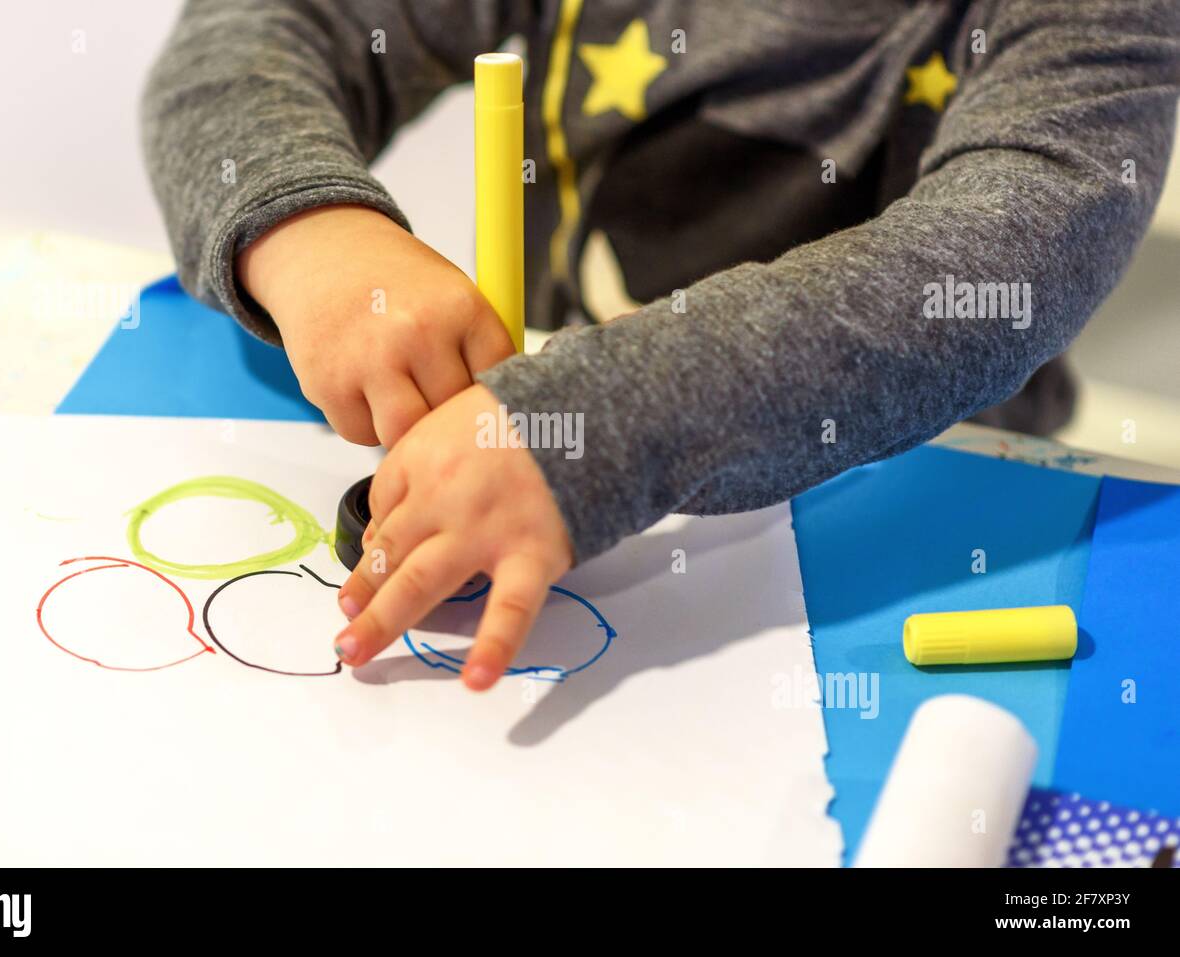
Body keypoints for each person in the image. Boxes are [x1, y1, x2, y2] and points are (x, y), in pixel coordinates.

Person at [142, 0, 1180, 690]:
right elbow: (260, 33)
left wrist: (601, 427)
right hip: (531, 451)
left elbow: (1010, 258)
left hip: (941, 516)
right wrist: (308, 230)